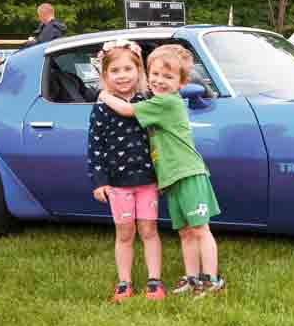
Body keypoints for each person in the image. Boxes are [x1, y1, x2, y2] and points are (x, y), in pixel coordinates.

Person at [98, 44, 225, 297]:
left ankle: (211, 280)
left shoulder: (166, 103)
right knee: (185, 232)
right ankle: (192, 278)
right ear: (147, 74)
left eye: (168, 77)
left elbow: (126, 109)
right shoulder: (156, 101)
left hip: (188, 173)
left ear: (181, 82)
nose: (160, 80)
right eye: (154, 74)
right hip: (172, 178)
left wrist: (103, 94)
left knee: (201, 229)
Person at [88, 38, 164, 302]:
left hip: (147, 181)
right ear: (105, 74)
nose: (122, 76)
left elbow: (160, 141)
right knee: (124, 233)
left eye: (128, 69)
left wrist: (164, 176)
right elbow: (95, 145)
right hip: (118, 183)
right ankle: (124, 282)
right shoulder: (100, 108)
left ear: (139, 71)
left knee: (149, 230)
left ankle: (155, 280)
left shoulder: (147, 100)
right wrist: (99, 180)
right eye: (115, 71)